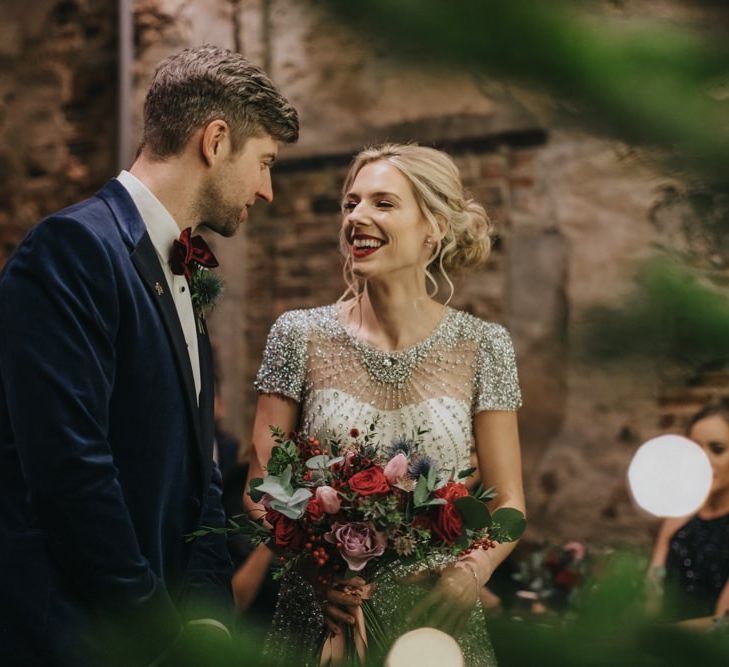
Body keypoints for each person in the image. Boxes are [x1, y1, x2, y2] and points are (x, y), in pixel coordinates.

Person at [0, 45, 298, 667]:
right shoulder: (74, 249)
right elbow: (71, 473)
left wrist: (210, 616)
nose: (267, 191)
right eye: (264, 163)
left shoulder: (183, 268)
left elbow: (201, 475)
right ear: (215, 141)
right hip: (84, 637)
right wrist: (162, 632)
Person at [246, 143, 525, 666]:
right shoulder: (298, 334)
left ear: (434, 227)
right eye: (350, 204)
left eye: (383, 203)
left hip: (435, 624)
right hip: (322, 616)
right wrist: (314, 570)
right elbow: (262, 487)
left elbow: (508, 502)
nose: (357, 218)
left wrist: (473, 572)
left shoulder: (484, 345)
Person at [650, 401, 729, 622]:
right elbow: (652, 589)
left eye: (717, 449)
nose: (702, 460)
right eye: (695, 449)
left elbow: (722, 622)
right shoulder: (680, 513)